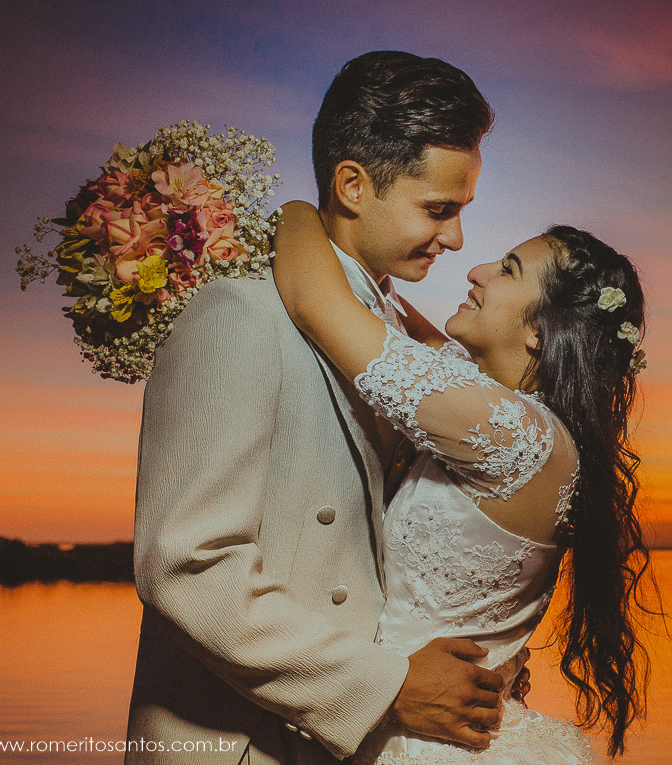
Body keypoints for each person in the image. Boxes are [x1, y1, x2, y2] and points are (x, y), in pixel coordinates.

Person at [126, 51, 523, 765]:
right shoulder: (239, 314)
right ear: (352, 185)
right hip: (245, 744)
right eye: (438, 209)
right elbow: (186, 565)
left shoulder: (398, 341)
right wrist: (385, 685)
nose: (458, 238)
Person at [271, 200, 657, 763]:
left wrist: (302, 208)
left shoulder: (515, 435)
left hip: (423, 735)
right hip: (415, 713)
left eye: (508, 270)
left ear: (540, 334)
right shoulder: (505, 416)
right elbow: (389, 319)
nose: (477, 271)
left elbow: (316, 301)